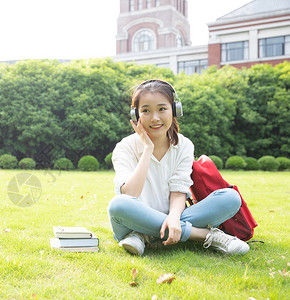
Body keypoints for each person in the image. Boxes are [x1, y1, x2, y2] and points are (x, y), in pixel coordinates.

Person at [107, 79, 249, 256]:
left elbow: (178, 190)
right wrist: (147, 149)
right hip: (131, 220)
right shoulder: (124, 147)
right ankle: (205, 235)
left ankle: (145, 235)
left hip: (175, 217)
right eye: (146, 111)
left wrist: (174, 218)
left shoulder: (184, 145)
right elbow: (130, 194)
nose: (155, 118)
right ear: (136, 115)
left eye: (162, 109)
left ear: (174, 110)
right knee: (118, 204)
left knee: (231, 197)